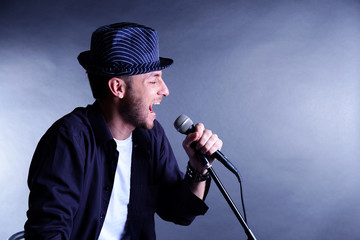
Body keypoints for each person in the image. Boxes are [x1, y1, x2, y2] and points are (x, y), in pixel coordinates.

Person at [24, 22, 222, 240]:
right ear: (118, 87)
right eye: (153, 80)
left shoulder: (151, 136)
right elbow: (47, 233)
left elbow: (180, 213)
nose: (165, 90)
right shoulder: (69, 139)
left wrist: (198, 168)